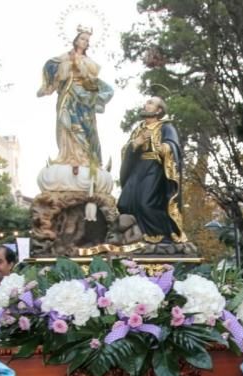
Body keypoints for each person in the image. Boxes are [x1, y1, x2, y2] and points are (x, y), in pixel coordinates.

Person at [38, 27, 114, 172]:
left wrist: (80, 66)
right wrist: (66, 67)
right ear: (75, 40)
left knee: (85, 126)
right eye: (82, 38)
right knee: (65, 122)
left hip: (84, 98)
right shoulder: (65, 57)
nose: (84, 42)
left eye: (87, 40)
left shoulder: (89, 61)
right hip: (68, 94)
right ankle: (68, 156)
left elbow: (92, 79)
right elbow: (52, 66)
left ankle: (85, 157)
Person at [117, 96, 187, 244]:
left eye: (150, 103)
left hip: (154, 169)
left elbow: (172, 144)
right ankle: (134, 235)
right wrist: (136, 143)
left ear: (159, 110)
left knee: (145, 203)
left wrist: (164, 148)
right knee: (125, 202)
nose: (146, 105)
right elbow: (127, 149)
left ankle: (159, 235)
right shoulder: (139, 129)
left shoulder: (166, 127)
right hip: (137, 169)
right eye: (146, 103)